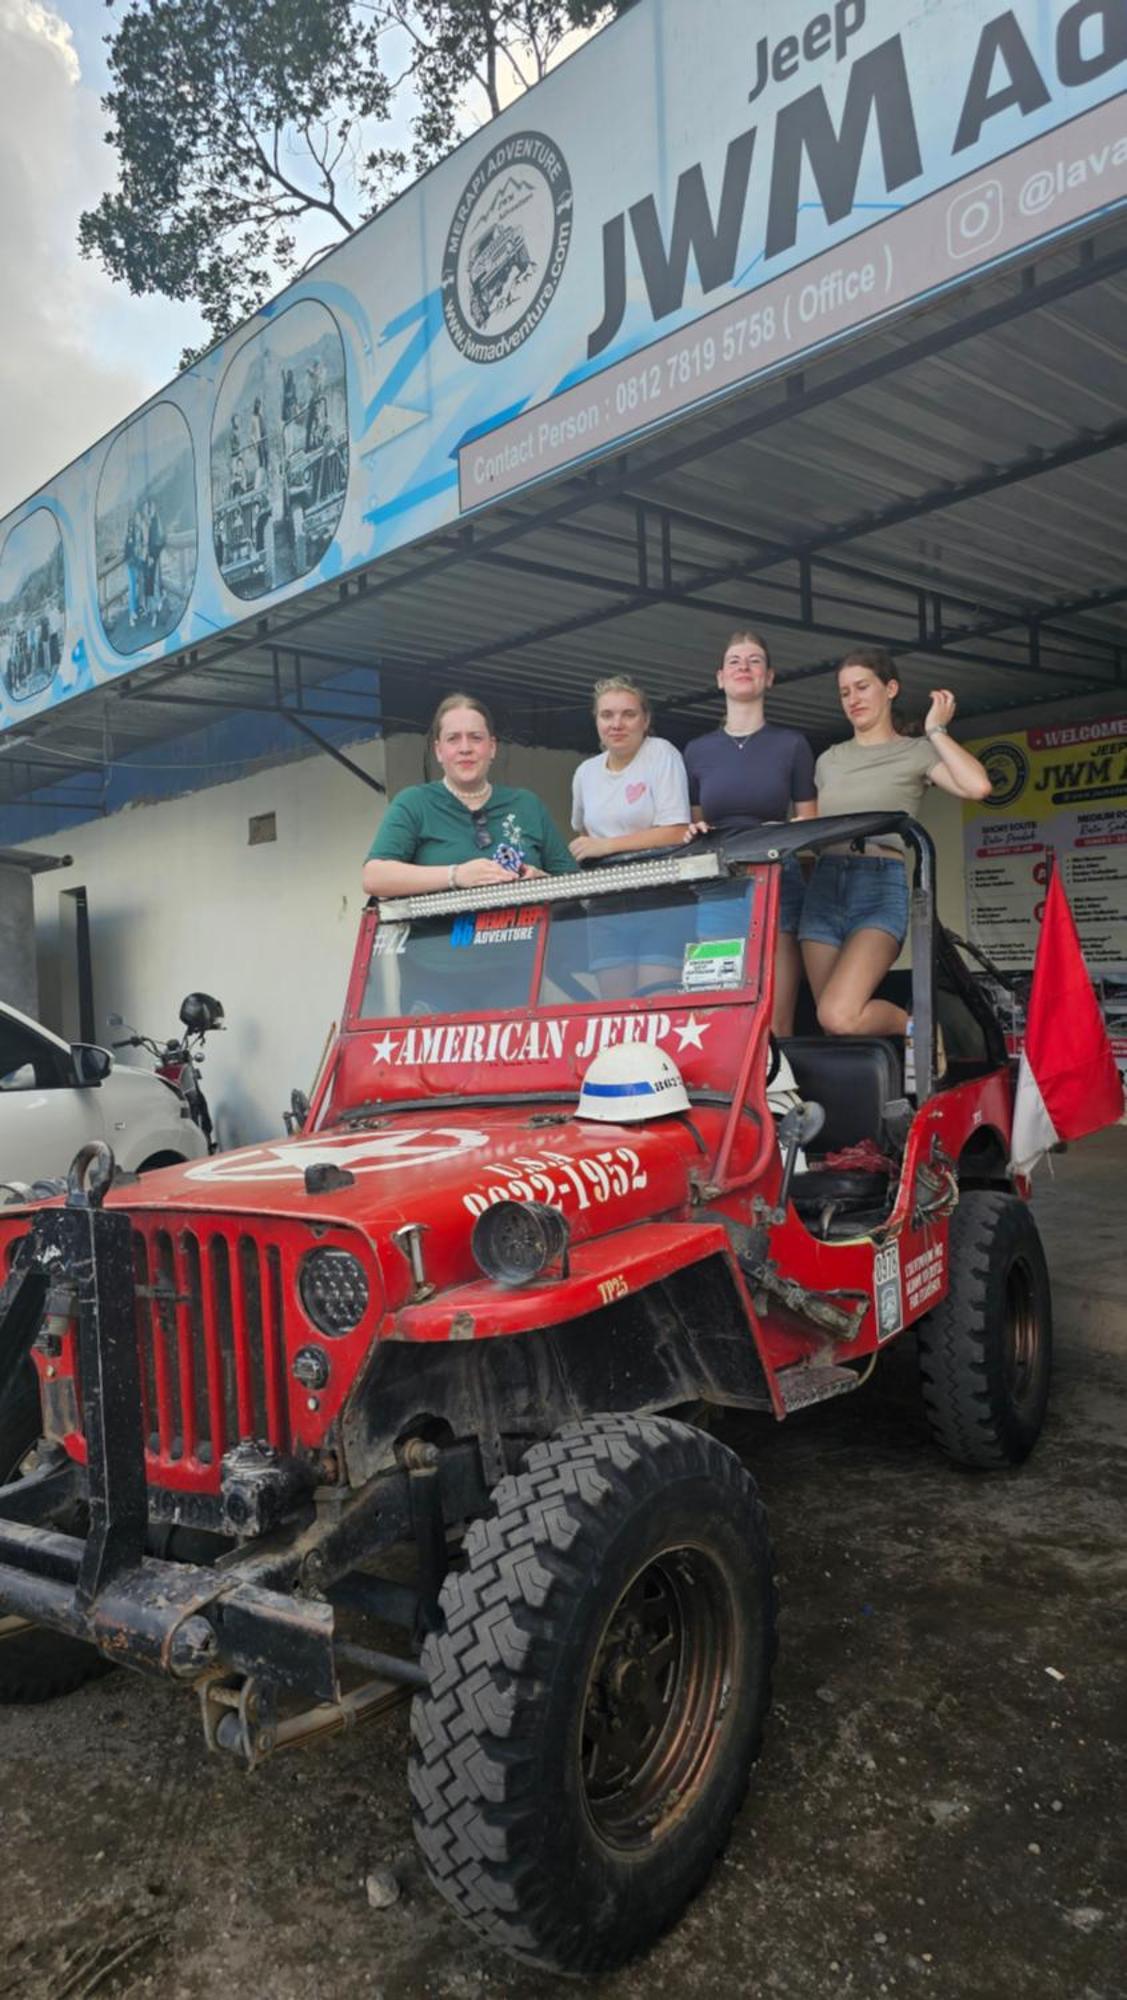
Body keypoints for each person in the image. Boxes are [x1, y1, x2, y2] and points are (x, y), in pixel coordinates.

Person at [800, 646, 992, 1042]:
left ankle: (917, 1028)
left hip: (877, 884)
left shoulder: (916, 751)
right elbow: (815, 827)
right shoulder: (828, 760)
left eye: (862, 687)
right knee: (830, 1024)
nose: (853, 699)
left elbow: (978, 786)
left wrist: (936, 730)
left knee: (840, 1015)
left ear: (890, 689)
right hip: (823, 886)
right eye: (844, 692)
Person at [684, 630, 817, 1034]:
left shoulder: (792, 744)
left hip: (779, 880)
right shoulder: (696, 750)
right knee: (715, 1011)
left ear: (769, 677)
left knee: (776, 1016)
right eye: (735, 661)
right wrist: (693, 830)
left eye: (755, 660)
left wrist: (789, 833)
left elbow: (809, 826)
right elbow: (688, 823)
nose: (744, 667)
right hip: (717, 884)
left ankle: (779, 1097)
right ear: (720, 678)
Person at [362, 693, 577, 898]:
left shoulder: (526, 804)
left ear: (492, 748)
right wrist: (455, 875)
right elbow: (374, 877)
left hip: (526, 933)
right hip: (440, 936)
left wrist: (542, 881)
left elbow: (574, 884)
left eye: (475, 738)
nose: (465, 748)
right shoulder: (414, 803)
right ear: (439, 751)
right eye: (453, 739)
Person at [570, 676, 690, 862]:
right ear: (596, 721)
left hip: (655, 876)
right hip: (601, 881)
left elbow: (677, 832)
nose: (617, 725)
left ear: (646, 720)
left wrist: (607, 845)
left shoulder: (661, 753)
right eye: (607, 715)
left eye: (629, 714)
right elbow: (584, 834)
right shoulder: (585, 772)